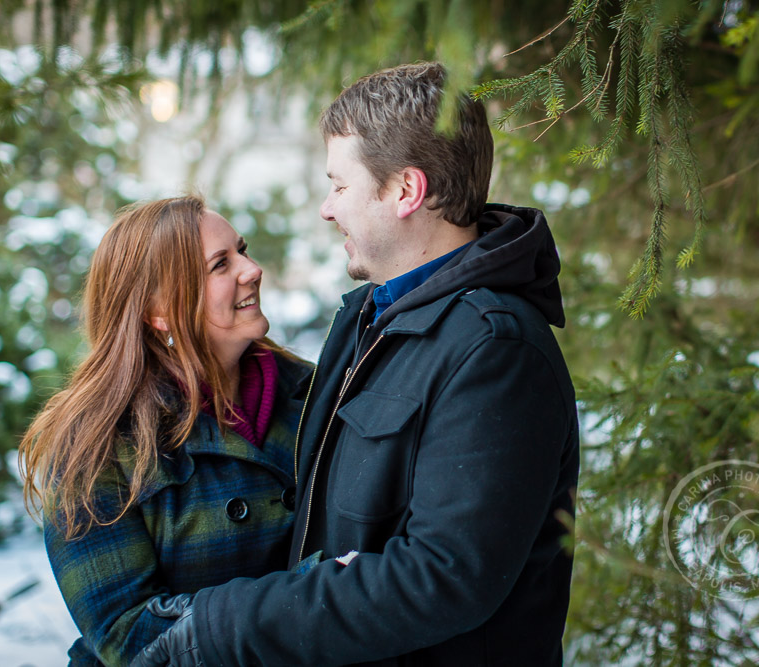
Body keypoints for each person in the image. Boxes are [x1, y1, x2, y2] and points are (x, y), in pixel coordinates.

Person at [134, 62, 580, 666]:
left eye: (339, 185)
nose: (326, 208)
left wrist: (225, 624)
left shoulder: (495, 350)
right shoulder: (372, 319)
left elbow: (443, 576)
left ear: (405, 191)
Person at [19, 196, 313, 666]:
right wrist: (306, 600)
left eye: (243, 250)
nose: (253, 269)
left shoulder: (312, 393)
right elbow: (129, 635)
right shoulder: (96, 446)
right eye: (221, 264)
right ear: (160, 311)